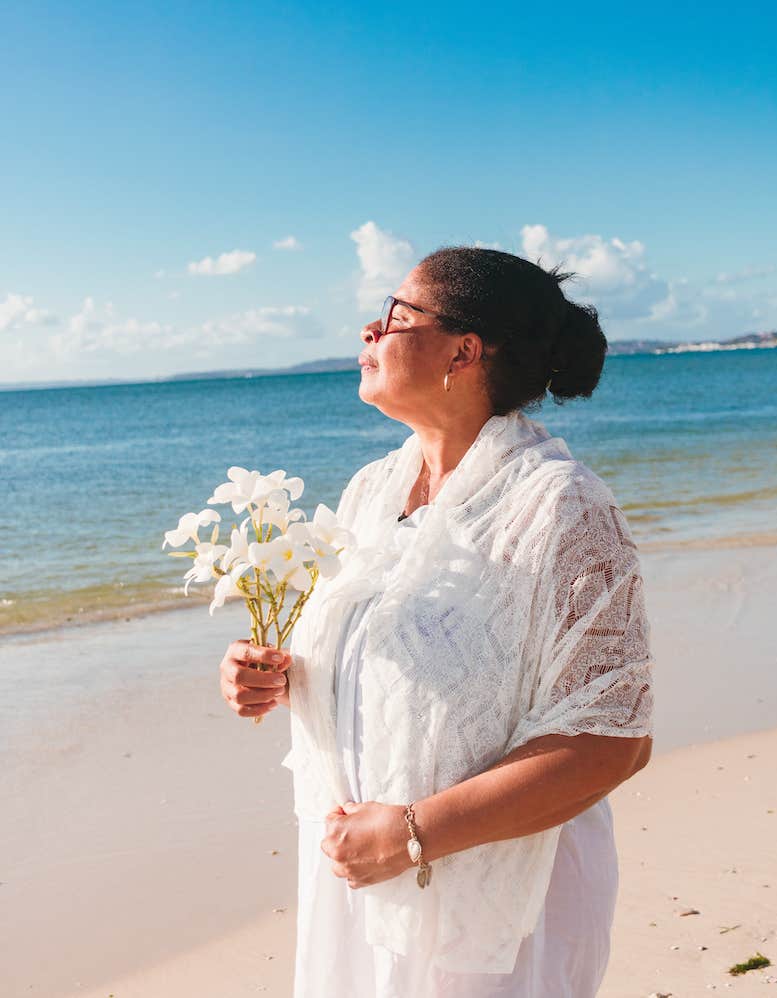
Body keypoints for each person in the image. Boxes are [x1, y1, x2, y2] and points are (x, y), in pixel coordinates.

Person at [219, 246, 654, 998]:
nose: (369, 329)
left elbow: (611, 742)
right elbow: (408, 668)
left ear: (464, 349)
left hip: (498, 901)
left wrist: (413, 834)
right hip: (363, 877)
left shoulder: (563, 508)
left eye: (395, 315)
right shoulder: (371, 490)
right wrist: (285, 678)